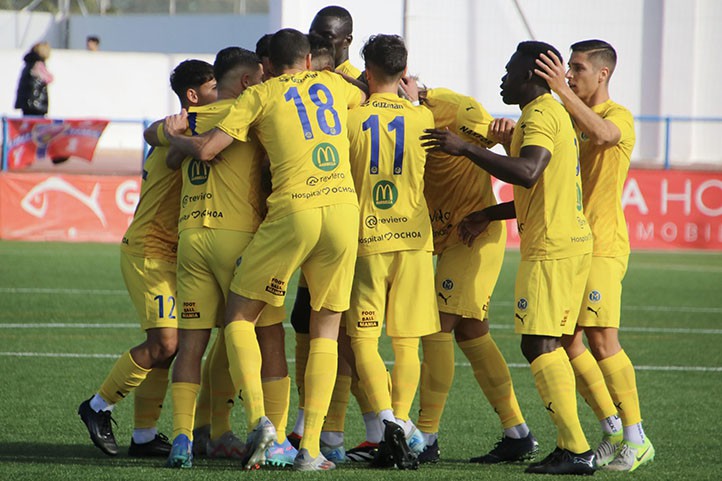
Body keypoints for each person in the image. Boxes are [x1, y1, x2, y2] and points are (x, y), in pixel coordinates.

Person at [163, 28, 365, 471]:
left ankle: (263, 426)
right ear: (310, 60)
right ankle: (310, 449)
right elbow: (363, 93)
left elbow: (207, 149)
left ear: (268, 66)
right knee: (326, 330)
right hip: (344, 210)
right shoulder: (334, 84)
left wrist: (172, 137)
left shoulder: (260, 95)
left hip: (294, 211)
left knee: (239, 316)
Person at [421, 41, 595, 475]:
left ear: (531, 75)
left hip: (553, 249)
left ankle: (576, 448)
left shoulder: (539, 115)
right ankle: (555, 441)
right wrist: (487, 211)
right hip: (560, 243)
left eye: (509, 70)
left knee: (539, 343)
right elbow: (535, 189)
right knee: (539, 342)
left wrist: (466, 149)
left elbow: (528, 171)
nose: (502, 78)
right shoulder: (546, 116)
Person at [161, 46, 296, 469]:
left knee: (192, 345)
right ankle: (267, 425)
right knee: (267, 333)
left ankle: (182, 438)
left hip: (192, 237)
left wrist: (174, 136)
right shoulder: (250, 113)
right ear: (247, 82)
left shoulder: (190, 119)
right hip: (236, 238)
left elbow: (165, 148)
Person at [77, 59, 217, 458]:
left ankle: (143, 436)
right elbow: (173, 153)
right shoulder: (181, 128)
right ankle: (97, 406)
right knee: (165, 343)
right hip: (149, 251)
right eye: (212, 88)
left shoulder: (182, 129)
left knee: (167, 347)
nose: (219, 94)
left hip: (175, 253)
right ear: (192, 96)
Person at [400, 78, 538, 465]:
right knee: (472, 333)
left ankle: (426, 436)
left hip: (474, 234)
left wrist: (506, 134)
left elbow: (516, 154)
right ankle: (517, 433)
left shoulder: (455, 109)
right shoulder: (390, 114)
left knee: (436, 326)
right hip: (447, 236)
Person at [535, 39, 654, 472]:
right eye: (568, 68)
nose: (569, 75)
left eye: (578, 68)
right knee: (568, 341)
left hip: (604, 245)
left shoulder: (615, 115)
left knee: (603, 341)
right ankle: (612, 429)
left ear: (603, 74)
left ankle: (637, 438)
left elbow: (603, 135)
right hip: (573, 244)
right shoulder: (568, 117)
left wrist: (561, 94)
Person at [344, 34, 438, 471]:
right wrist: (415, 100)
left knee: (362, 336)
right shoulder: (424, 119)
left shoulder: (352, 117)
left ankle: (384, 424)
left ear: (367, 71)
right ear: (404, 71)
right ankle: (402, 419)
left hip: (367, 239)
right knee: (407, 341)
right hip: (415, 242)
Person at [309, 5, 361, 79]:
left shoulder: (355, 82)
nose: (316, 41)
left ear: (347, 41)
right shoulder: (301, 76)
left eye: (327, 36)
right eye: (312, 35)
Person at [15, 42, 53, 117]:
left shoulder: (29, 64)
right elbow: (49, 78)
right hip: (36, 105)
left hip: (27, 104)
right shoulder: (38, 64)